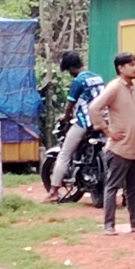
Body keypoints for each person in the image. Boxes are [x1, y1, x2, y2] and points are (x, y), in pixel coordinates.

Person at [87, 53, 135, 235]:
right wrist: (107, 130)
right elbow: (94, 108)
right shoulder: (114, 88)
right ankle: (109, 225)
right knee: (112, 186)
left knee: (133, 187)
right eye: (131, 65)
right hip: (119, 147)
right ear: (121, 68)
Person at [47, 52, 103, 202]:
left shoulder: (79, 81)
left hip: (86, 121)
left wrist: (66, 117)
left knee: (65, 153)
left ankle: (53, 192)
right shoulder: (97, 78)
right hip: (103, 119)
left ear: (71, 68)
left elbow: (70, 104)